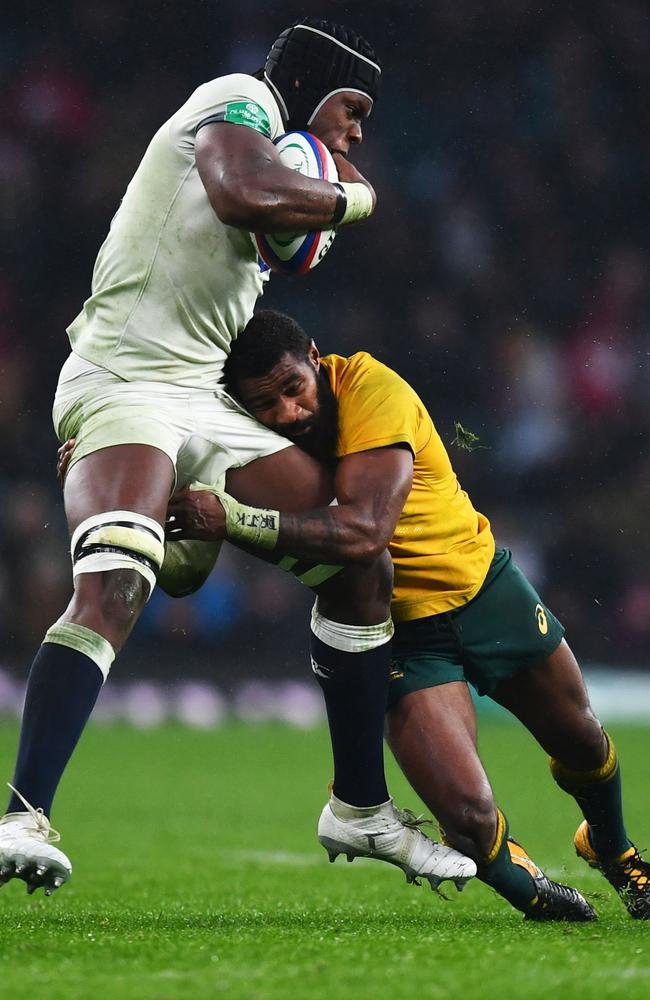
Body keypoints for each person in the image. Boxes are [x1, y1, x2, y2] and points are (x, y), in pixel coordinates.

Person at [0, 19, 475, 897]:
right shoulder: (239, 101)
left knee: (357, 557)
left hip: (201, 400)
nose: (359, 132)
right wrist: (356, 200)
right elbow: (239, 193)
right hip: (125, 376)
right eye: (352, 108)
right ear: (310, 90)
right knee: (120, 577)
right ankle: (23, 813)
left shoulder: (278, 167)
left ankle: (360, 809)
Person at [162, 308, 650, 922]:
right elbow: (165, 433)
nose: (288, 413)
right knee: (470, 822)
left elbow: (366, 532)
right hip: (401, 639)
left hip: (482, 589)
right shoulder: (235, 425)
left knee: (582, 739)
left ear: (316, 358)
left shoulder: (372, 388)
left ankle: (613, 847)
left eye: (294, 388)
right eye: (266, 404)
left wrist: (231, 519)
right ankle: (534, 891)